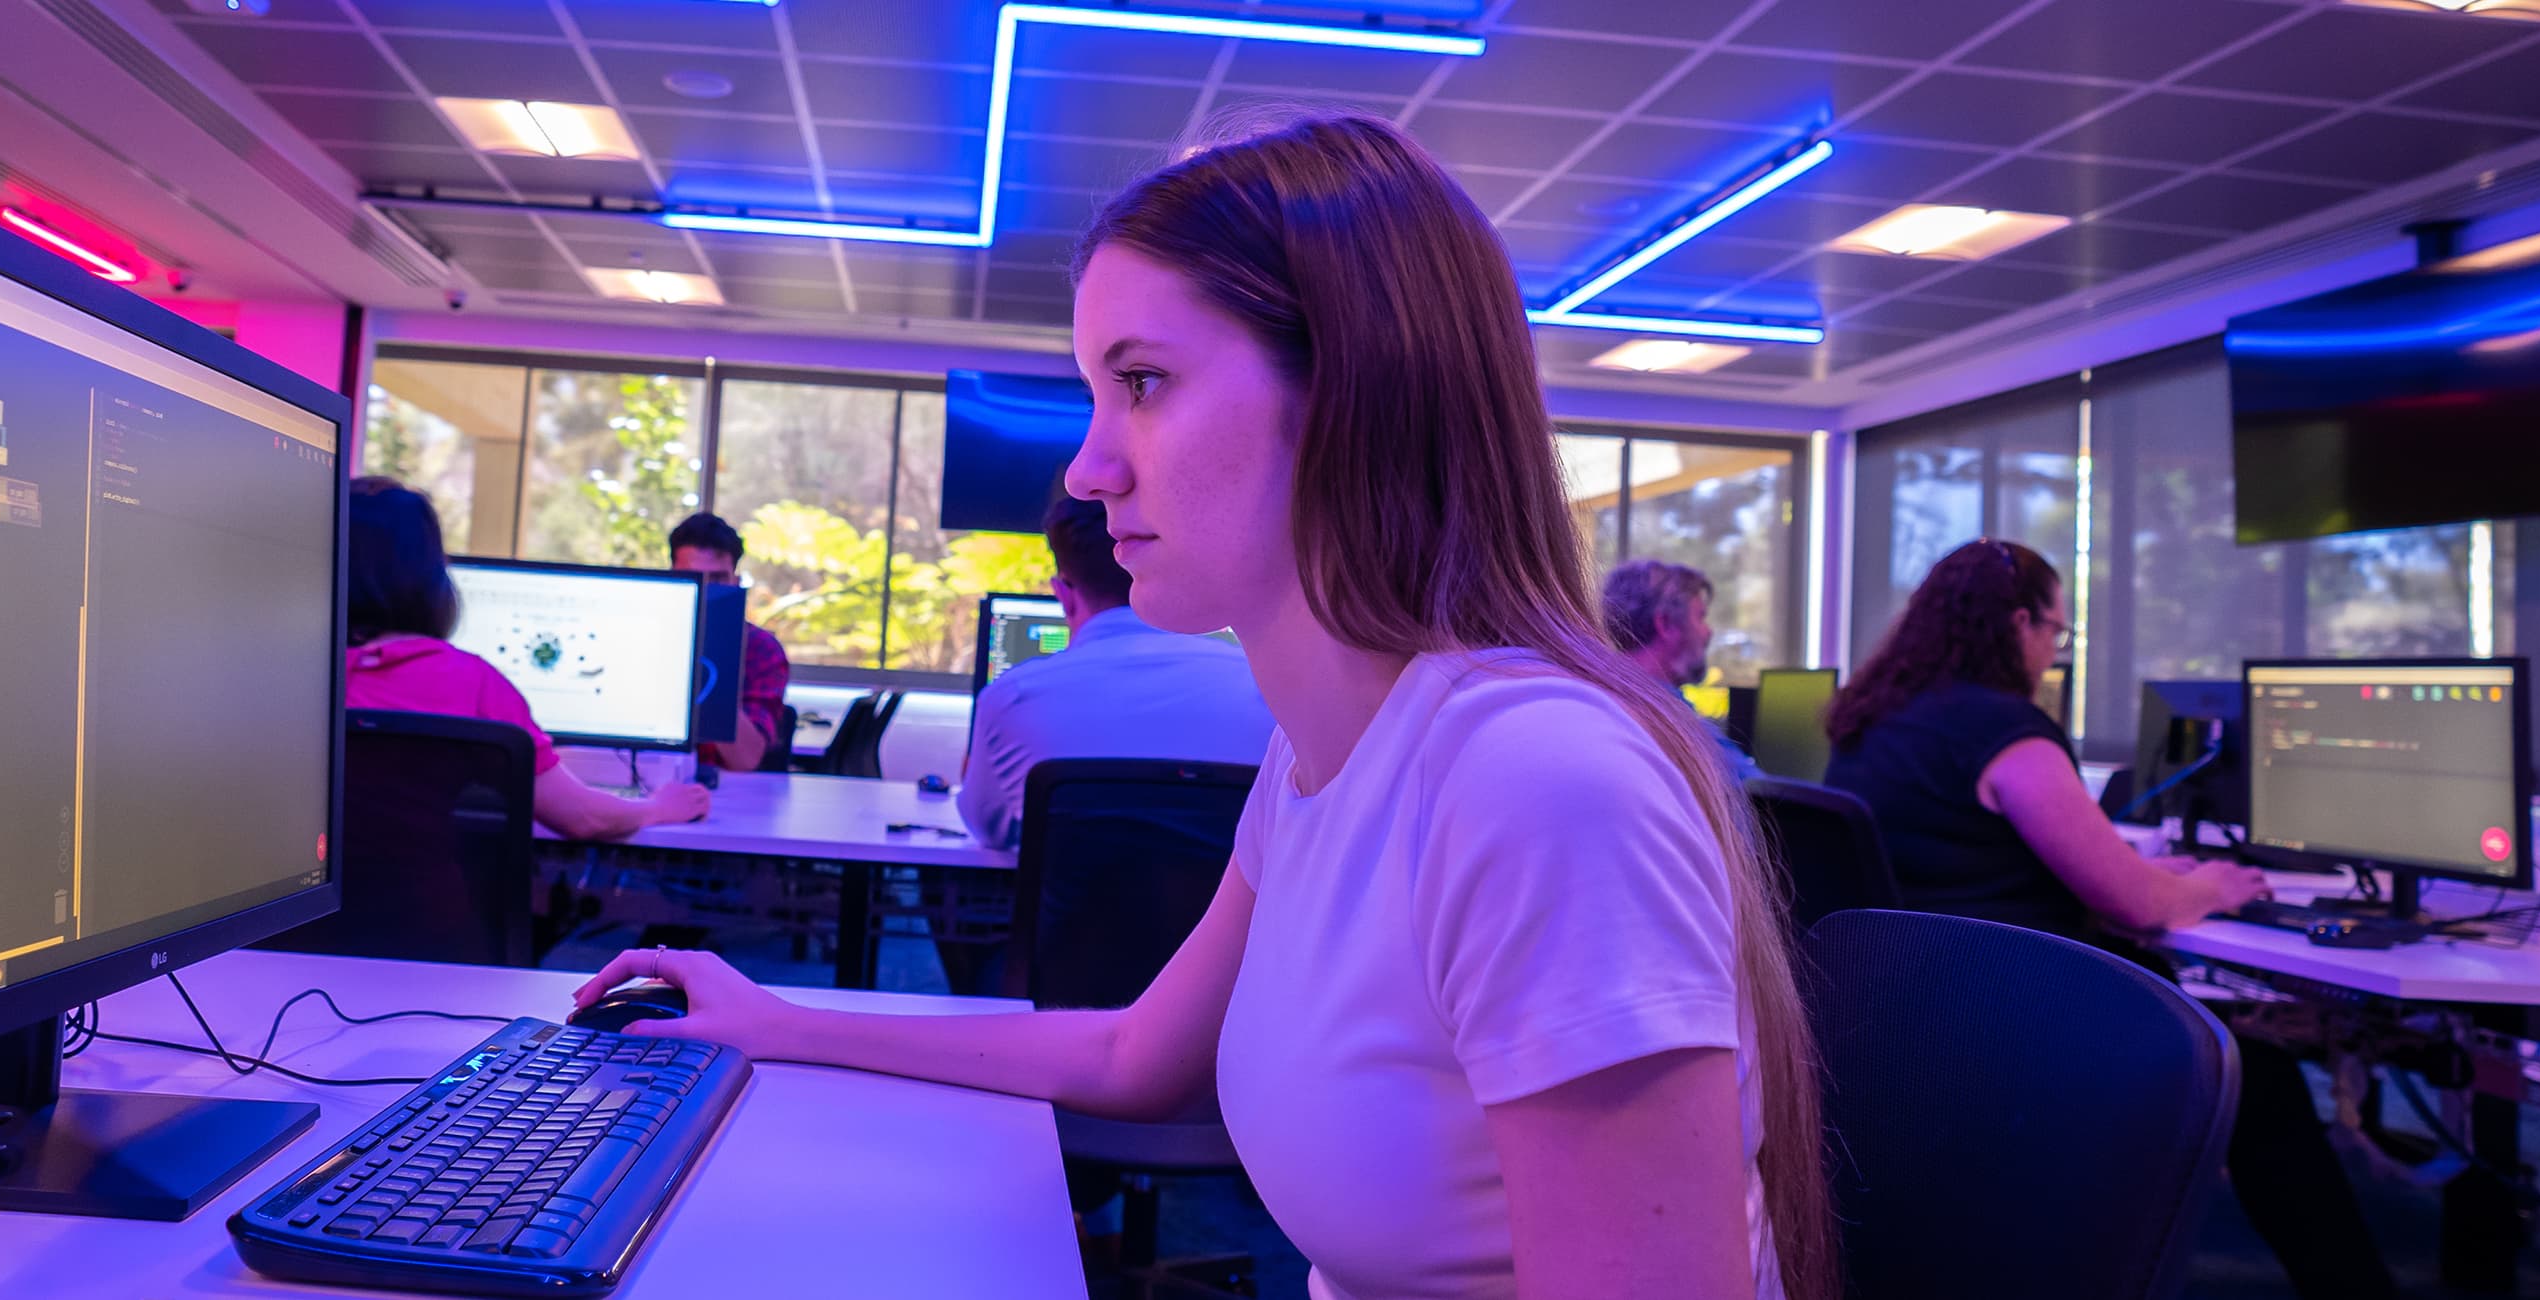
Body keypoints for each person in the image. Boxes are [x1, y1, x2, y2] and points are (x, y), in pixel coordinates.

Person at [576, 112, 1828, 1300]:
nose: (1086, 466)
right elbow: (1131, 1054)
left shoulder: (1539, 782)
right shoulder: (1317, 760)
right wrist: (780, 1023)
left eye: (1145, 381)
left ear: (1353, 391)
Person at [1822, 537, 2398, 1299]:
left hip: (1914, 1010)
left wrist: (2160, 874)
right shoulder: (2007, 733)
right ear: (2020, 623)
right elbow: (2133, 905)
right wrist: (2215, 885)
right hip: (2022, 1011)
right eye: (2057, 633)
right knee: (2268, 1084)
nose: (2053, 654)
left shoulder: (1879, 720)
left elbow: (1996, 861)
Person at [343, 477, 707, 840]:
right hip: (426, 895)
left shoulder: (302, 674)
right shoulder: (472, 682)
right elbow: (583, 818)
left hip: (306, 897)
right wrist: (658, 807)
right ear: (430, 575)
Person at [956, 495, 1274, 849]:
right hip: (1238, 906)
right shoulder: (1266, 688)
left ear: (1064, 595)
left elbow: (989, 833)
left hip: (1075, 905)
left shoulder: (1011, 700)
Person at [1601, 558, 1758, 782]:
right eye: (1701, 617)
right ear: (1665, 624)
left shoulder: (1595, 699)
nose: (1708, 632)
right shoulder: (1677, 726)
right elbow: (1768, 795)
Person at [667, 513, 791, 772]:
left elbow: (745, 760)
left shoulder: (761, 649)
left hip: (723, 792)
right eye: (693, 577)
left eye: (717, 580)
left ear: (734, 582)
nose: (705, 590)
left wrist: (712, 653)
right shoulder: (643, 635)